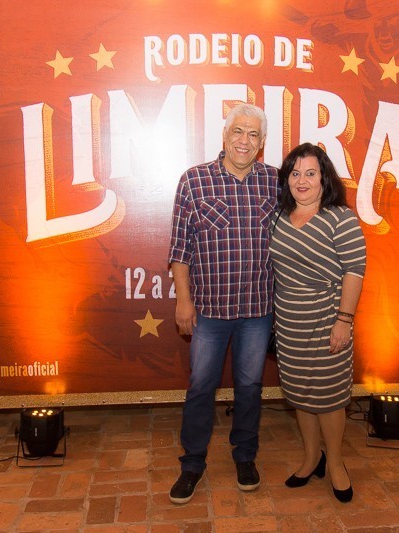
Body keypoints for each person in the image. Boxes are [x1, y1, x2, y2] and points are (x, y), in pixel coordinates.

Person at [166, 103, 279, 504]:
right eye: (238, 132)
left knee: (250, 387)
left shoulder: (276, 182)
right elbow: (180, 249)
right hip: (210, 312)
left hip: (258, 311)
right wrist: (184, 301)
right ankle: (192, 463)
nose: (244, 141)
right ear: (225, 136)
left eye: (253, 134)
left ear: (262, 143)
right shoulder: (194, 181)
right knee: (201, 387)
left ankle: (245, 456)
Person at [269, 142, 366, 503]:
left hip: (328, 321)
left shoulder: (340, 218)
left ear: (325, 178)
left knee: (328, 397)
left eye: (311, 173)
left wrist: (344, 320)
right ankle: (312, 458)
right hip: (289, 324)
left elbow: (355, 272)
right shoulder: (278, 217)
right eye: (295, 173)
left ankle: (336, 463)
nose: (302, 180)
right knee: (300, 395)